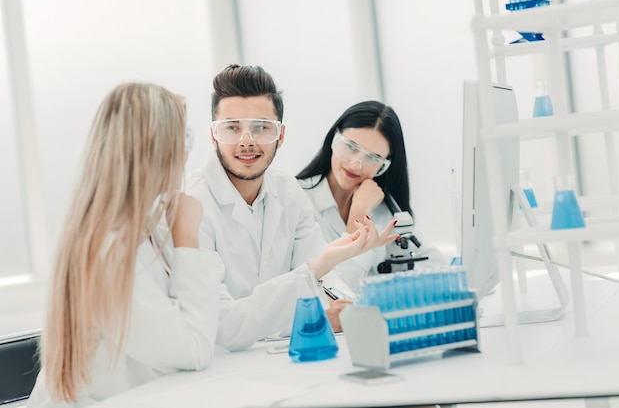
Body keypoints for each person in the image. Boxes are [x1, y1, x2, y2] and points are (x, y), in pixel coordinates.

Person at [28, 83, 221, 407]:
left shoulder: (147, 227)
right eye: (183, 138)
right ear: (155, 149)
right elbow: (193, 350)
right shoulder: (109, 249)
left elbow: (208, 314)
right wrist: (187, 240)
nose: (188, 152)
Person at [186, 64, 397, 352]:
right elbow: (224, 327)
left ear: (281, 135)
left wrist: (341, 306)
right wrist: (316, 311)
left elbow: (327, 280)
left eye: (261, 127)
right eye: (232, 127)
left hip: (283, 356)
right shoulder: (192, 206)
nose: (246, 141)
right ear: (214, 136)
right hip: (226, 371)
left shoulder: (287, 192)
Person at [296, 100, 444, 288]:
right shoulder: (298, 199)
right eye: (351, 146)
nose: (356, 164)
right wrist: (359, 214)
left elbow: (434, 265)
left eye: (373, 158)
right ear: (335, 137)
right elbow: (338, 288)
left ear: (384, 166)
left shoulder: (386, 209)